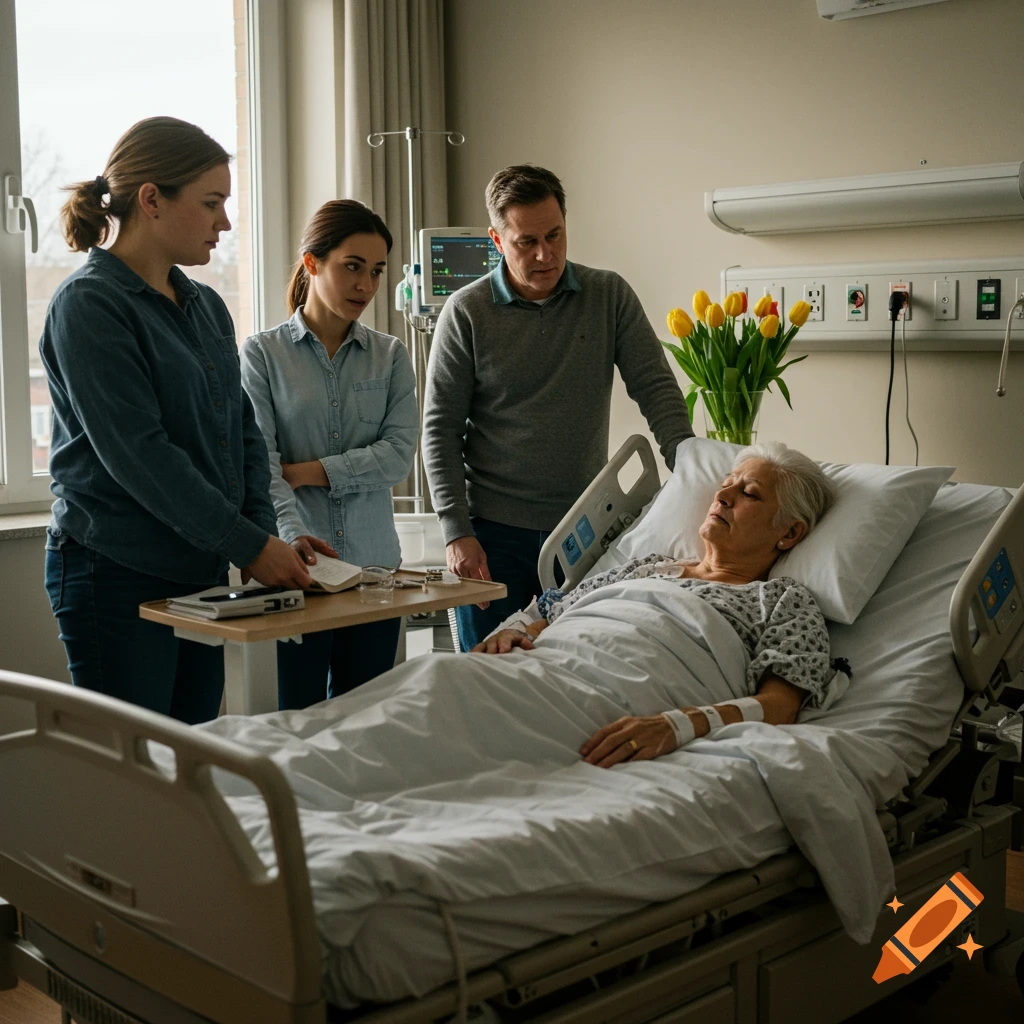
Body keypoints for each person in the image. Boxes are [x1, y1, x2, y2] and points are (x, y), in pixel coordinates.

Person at [40, 116, 313, 724]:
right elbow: (141, 455)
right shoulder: (89, 305)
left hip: (197, 569)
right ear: (152, 200)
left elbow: (241, 429)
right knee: (132, 779)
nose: (226, 222)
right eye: (212, 203)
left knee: (189, 763)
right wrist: (248, 545)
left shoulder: (203, 304)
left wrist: (262, 539)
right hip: (114, 572)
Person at [423, 164, 695, 652]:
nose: (546, 254)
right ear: (496, 239)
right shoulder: (466, 312)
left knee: (580, 668)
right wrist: (455, 532)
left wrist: (694, 471)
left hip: (586, 529)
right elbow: (440, 431)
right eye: (527, 242)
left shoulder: (608, 296)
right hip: (493, 536)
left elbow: (656, 390)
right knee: (492, 680)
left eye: (555, 235)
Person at [471, 441, 840, 767]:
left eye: (750, 493)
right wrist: (512, 635)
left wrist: (678, 724)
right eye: (726, 484)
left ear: (789, 533)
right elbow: (552, 615)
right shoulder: (649, 566)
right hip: (542, 669)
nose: (723, 497)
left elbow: (779, 706)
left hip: (610, 705)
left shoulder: (783, 601)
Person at [241, 200, 418, 710]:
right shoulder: (262, 355)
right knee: (299, 720)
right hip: (299, 573)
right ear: (313, 262)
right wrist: (293, 537)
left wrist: (311, 471)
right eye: (353, 267)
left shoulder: (391, 355)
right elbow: (261, 466)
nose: (366, 285)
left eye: (377, 271)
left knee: (366, 724)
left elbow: (398, 456)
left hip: (375, 574)